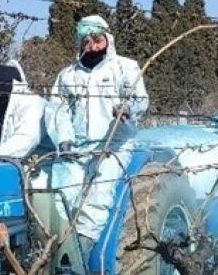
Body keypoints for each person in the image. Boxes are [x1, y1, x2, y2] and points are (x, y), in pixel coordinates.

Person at [44, 15, 149, 252]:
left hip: (114, 144)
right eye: (86, 42)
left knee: (97, 197)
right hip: (76, 146)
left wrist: (127, 109)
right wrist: (64, 138)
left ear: (107, 40)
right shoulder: (68, 75)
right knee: (61, 197)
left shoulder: (124, 67)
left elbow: (140, 99)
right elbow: (57, 110)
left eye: (97, 41)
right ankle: (57, 248)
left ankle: (81, 253)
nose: (92, 47)